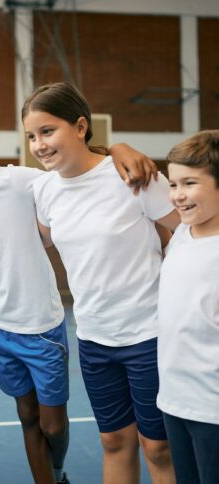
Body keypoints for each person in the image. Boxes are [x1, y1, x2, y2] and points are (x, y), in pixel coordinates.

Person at [0, 86, 158, 484]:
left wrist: (117, 148)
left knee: (53, 425)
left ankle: (58, 467)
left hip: (43, 325)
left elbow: (75, 169)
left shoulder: (25, 181)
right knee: (26, 418)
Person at [23, 81, 180, 484]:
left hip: (150, 334)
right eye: (31, 135)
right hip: (94, 338)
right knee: (113, 441)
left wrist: (118, 149)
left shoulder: (133, 175)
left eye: (47, 131)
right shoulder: (43, 190)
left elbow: (189, 234)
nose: (38, 144)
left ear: (80, 126)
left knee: (158, 447)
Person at [157, 130, 219, 484]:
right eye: (173, 183)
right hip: (175, 400)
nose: (177, 195)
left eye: (190, 183)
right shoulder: (182, 234)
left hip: (212, 409)